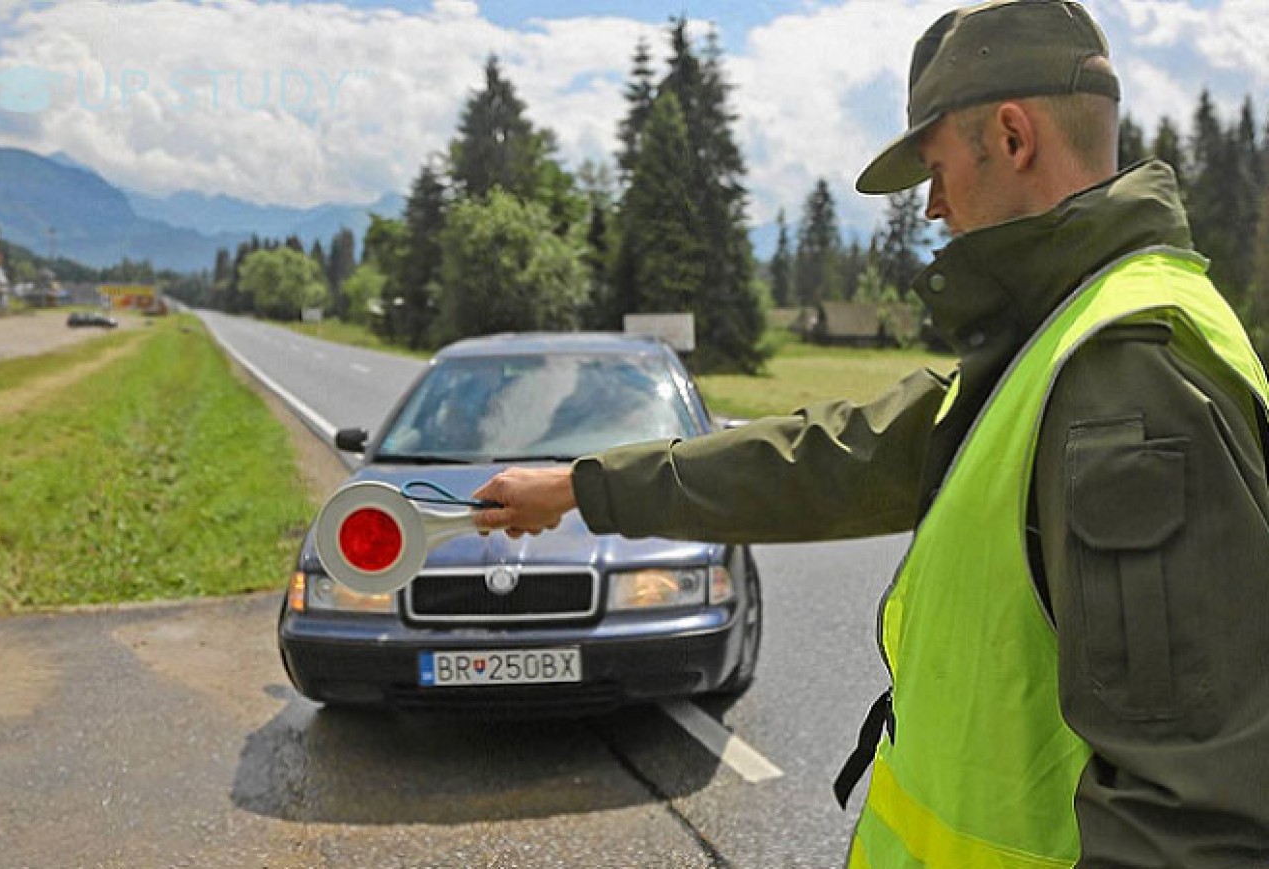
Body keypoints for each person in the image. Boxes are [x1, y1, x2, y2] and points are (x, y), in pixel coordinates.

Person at [472, 0, 1269, 865]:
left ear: (1011, 137)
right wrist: (581, 486)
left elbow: (1193, 820)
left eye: (935, 169)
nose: (932, 208)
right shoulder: (1055, 347)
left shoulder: (1126, 374)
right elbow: (826, 457)